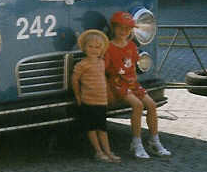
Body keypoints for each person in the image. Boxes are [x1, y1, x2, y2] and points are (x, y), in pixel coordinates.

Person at [105, 11, 171, 159]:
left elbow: (133, 67)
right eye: (120, 28)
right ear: (113, 28)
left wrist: (135, 85)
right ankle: (136, 142)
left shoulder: (131, 46)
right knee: (137, 105)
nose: (124, 32)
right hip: (117, 84)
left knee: (152, 105)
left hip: (132, 84)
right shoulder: (109, 47)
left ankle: (154, 140)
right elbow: (105, 70)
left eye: (128, 29)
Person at [72, 29, 120, 162]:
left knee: (102, 127)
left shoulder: (101, 63)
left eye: (97, 47)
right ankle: (98, 151)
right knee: (91, 127)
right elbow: (75, 80)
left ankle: (108, 151)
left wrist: (109, 93)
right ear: (84, 48)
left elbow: (103, 78)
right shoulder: (82, 64)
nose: (94, 50)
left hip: (101, 101)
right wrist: (77, 95)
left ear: (102, 49)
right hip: (88, 101)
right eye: (90, 46)